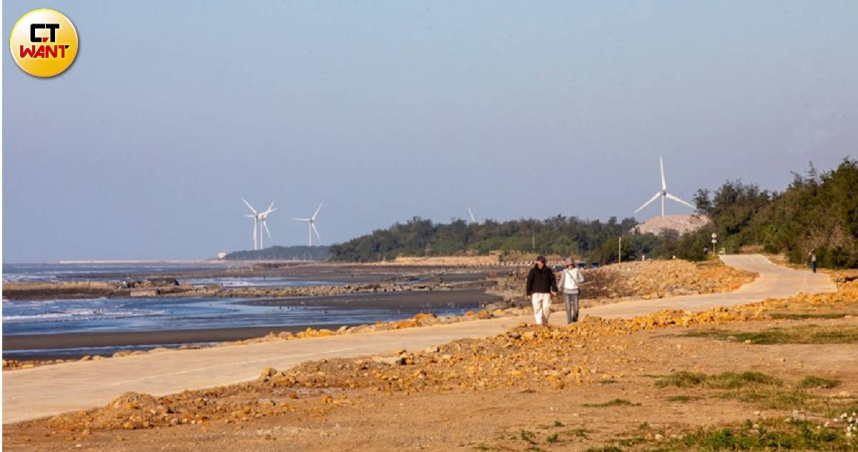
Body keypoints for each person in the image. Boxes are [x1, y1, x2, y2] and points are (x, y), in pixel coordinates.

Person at [525, 255, 558, 325]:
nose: (542, 263)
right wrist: (528, 293)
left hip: (546, 292)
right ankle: (539, 323)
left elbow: (552, 281)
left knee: (547, 308)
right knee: (537, 309)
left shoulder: (548, 271)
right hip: (535, 293)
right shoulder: (533, 271)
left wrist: (554, 289)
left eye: (543, 262)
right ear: (537, 262)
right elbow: (529, 282)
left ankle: (544, 321)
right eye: (541, 262)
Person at [557, 258, 585, 323]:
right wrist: (558, 287)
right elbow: (562, 280)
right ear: (567, 265)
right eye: (569, 265)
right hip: (566, 291)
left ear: (573, 264)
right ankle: (569, 322)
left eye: (571, 264)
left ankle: (574, 319)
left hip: (575, 291)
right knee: (568, 308)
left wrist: (577, 281)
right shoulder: (564, 271)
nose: (570, 266)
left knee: (576, 309)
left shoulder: (576, 270)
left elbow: (582, 279)